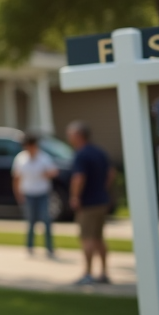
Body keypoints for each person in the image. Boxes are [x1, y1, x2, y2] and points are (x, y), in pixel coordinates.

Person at [67, 121, 117, 285]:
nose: (69, 137)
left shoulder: (81, 154)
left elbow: (78, 178)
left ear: (78, 136)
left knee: (87, 238)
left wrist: (75, 197)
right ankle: (103, 273)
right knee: (98, 238)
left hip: (88, 203)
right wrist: (103, 189)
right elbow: (111, 173)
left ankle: (88, 274)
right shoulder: (99, 152)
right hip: (101, 201)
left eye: (70, 134)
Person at [12, 134, 58, 258]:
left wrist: (47, 174)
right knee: (31, 221)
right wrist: (18, 194)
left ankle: (49, 248)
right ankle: (30, 247)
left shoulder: (44, 157)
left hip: (42, 193)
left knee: (46, 220)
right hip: (28, 193)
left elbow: (54, 171)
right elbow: (16, 178)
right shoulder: (21, 159)